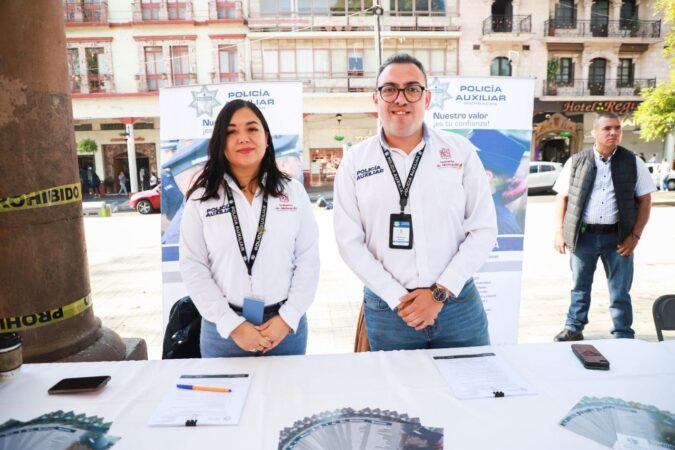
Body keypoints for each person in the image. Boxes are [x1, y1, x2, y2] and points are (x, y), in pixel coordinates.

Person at [333, 53, 497, 351]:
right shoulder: (355, 162)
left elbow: (483, 229)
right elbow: (349, 242)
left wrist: (438, 294)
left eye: (412, 89)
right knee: (399, 395)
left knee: (472, 388)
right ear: (375, 99)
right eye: (390, 89)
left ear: (427, 97)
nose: (401, 99)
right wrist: (398, 297)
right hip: (390, 311)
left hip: (457, 305)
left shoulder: (460, 151)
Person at [179, 99, 319, 357]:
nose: (243, 138)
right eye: (231, 132)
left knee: (285, 397)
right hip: (223, 332)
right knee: (226, 397)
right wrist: (231, 324)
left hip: (284, 330)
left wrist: (287, 318)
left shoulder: (293, 193)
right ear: (220, 143)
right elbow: (193, 266)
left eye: (252, 129)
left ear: (266, 138)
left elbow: (308, 261)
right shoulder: (201, 199)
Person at [552, 112, 655, 341]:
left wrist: (635, 236)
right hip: (583, 237)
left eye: (617, 128)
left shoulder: (633, 162)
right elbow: (562, 198)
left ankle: (623, 332)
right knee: (580, 287)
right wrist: (559, 233)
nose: (613, 132)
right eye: (607, 128)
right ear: (594, 133)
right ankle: (574, 327)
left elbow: (645, 201)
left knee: (620, 290)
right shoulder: (577, 161)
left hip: (618, 238)